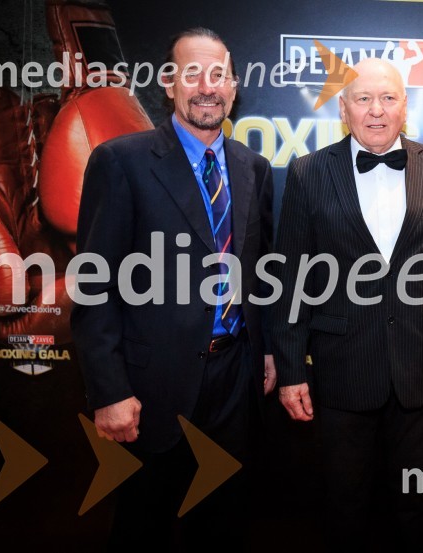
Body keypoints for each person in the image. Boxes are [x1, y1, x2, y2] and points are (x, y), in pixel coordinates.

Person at [71, 27, 275, 552]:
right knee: (144, 526)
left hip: (235, 379)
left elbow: (260, 273)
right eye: (192, 74)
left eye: (218, 75)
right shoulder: (122, 161)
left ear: (233, 86)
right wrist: (110, 390)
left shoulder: (253, 169)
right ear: (169, 83)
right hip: (150, 385)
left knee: (224, 523)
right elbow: (94, 285)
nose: (206, 87)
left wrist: (268, 352)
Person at [272, 58, 423, 552]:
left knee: (417, 504)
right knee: (345, 505)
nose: (376, 110)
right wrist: (289, 370)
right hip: (343, 367)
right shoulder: (307, 172)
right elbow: (289, 280)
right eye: (362, 99)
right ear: (343, 109)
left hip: (422, 368)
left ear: (405, 107)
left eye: (388, 98)